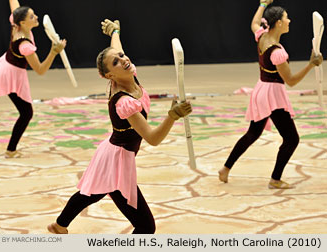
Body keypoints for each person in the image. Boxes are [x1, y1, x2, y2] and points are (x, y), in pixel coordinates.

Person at [47, 19, 192, 234]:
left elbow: (117, 49)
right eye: (116, 62)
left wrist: (115, 31)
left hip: (112, 151)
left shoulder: (127, 74)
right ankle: (59, 225)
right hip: (117, 161)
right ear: (109, 76)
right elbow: (152, 138)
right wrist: (172, 116)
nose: (123, 60)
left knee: (92, 193)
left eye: (122, 57)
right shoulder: (125, 102)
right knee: (145, 226)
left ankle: (59, 225)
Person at [218, 0, 323, 189]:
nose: (290, 20)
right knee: (292, 139)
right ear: (279, 23)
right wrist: (311, 64)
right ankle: (275, 179)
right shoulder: (277, 52)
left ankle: (225, 168)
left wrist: (262, 4)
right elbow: (290, 80)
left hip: (261, 90)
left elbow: (254, 24)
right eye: (286, 18)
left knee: (253, 133)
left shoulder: (262, 36)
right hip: (272, 96)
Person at [0, 0, 66, 158]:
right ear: (24, 22)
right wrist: (54, 52)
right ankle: (11, 150)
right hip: (7, 73)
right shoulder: (25, 45)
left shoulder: (16, 22)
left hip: (6, 67)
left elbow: (14, 3)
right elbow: (40, 70)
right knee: (25, 112)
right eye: (32, 16)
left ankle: (11, 149)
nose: (36, 17)